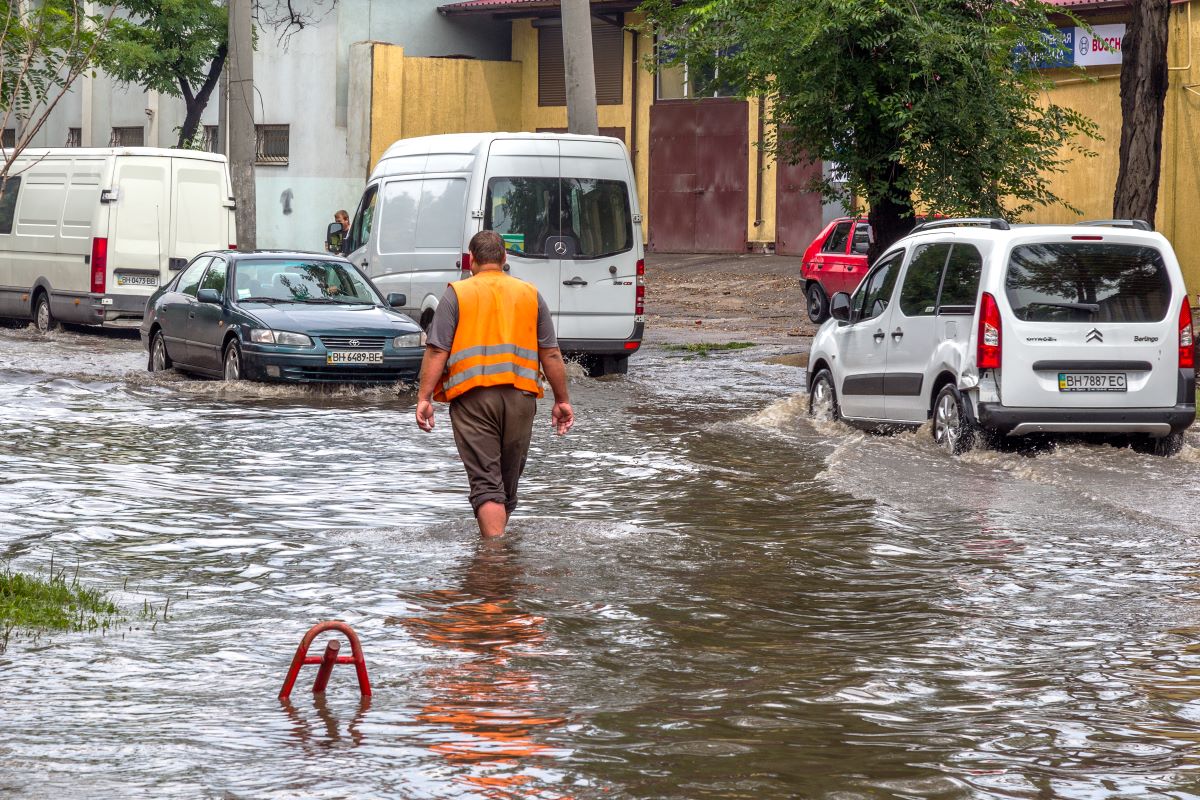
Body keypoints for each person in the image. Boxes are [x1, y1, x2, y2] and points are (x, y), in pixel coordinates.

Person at [415, 230, 573, 538]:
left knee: (488, 485)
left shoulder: (457, 294)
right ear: (504, 259)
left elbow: (437, 350)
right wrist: (562, 400)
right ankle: (501, 560)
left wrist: (424, 398)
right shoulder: (530, 294)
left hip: (473, 399)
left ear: (472, 260)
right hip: (520, 399)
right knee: (506, 483)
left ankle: (492, 562)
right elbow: (551, 353)